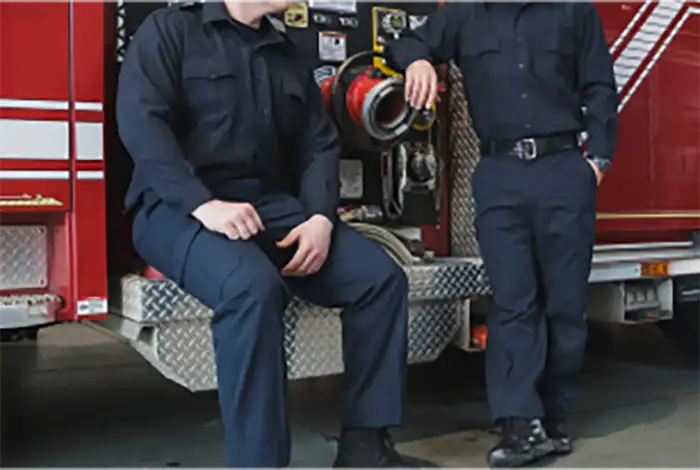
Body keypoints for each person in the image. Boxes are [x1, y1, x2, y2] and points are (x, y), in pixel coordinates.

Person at [116, 1, 441, 469]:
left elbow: (319, 144)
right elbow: (141, 122)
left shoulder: (284, 53)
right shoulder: (171, 31)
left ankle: (366, 449)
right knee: (251, 287)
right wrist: (203, 204)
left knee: (379, 279)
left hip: (265, 206)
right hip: (174, 206)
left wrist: (320, 218)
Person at [385, 0, 618, 468]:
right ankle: (518, 422)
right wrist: (417, 60)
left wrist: (597, 161)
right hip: (500, 175)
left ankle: (553, 419)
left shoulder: (574, 10)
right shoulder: (465, 14)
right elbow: (404, 41)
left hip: (563, 171)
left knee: (564, 305)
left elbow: (600, 86)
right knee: (513, 301)